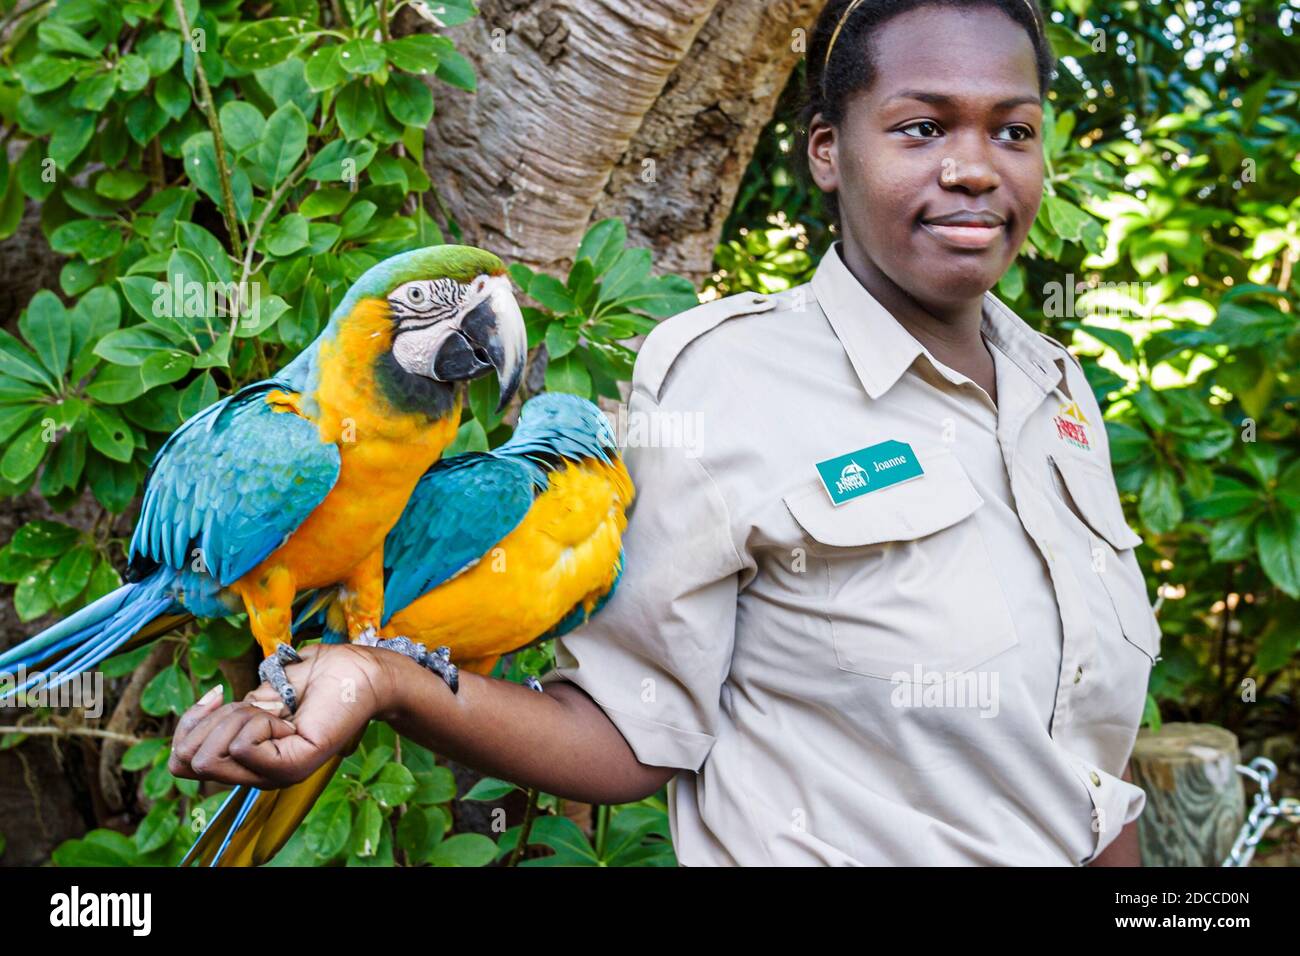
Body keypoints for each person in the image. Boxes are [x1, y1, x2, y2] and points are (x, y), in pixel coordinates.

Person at [170, 0, 1160, 866]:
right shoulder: (723, 378)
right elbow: (631, 725)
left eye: (1014, 130)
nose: (974, 168)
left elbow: (1083, 768)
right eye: (919, 127)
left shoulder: (1055, 389)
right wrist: (380, 675)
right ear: (826, 149)